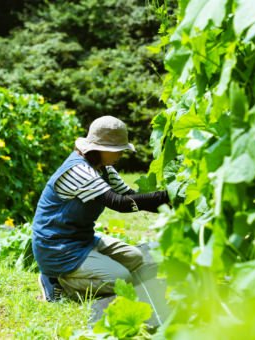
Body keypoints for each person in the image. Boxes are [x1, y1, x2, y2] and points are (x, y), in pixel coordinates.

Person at [32, 115, 170, 302]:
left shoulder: (103, 168)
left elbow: (129, 196)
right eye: (117, 150)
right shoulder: (79, 171)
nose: (121, 154)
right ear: (99, 149)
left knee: (135, 257)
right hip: (58, 247)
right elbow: (119, 203)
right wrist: (165, 196)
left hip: (83, 239)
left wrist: (172, 205)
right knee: (121, 279)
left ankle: (86, 267)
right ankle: (58, 281)